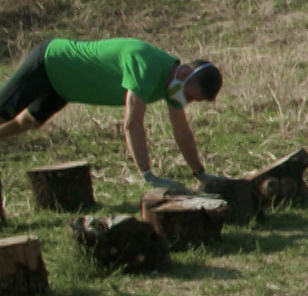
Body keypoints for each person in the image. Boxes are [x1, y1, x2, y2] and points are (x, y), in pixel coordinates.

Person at [0, 38, 223, 191]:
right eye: (191, 96)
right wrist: (148, 175)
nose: (188, 101)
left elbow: (182, 132)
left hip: (66, 85)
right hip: (51, 62)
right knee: (3, 113)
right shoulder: (144, 65)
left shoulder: (174, 83)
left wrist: (200, 173)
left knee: (28, 121)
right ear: (184, 73)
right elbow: (132, 123)